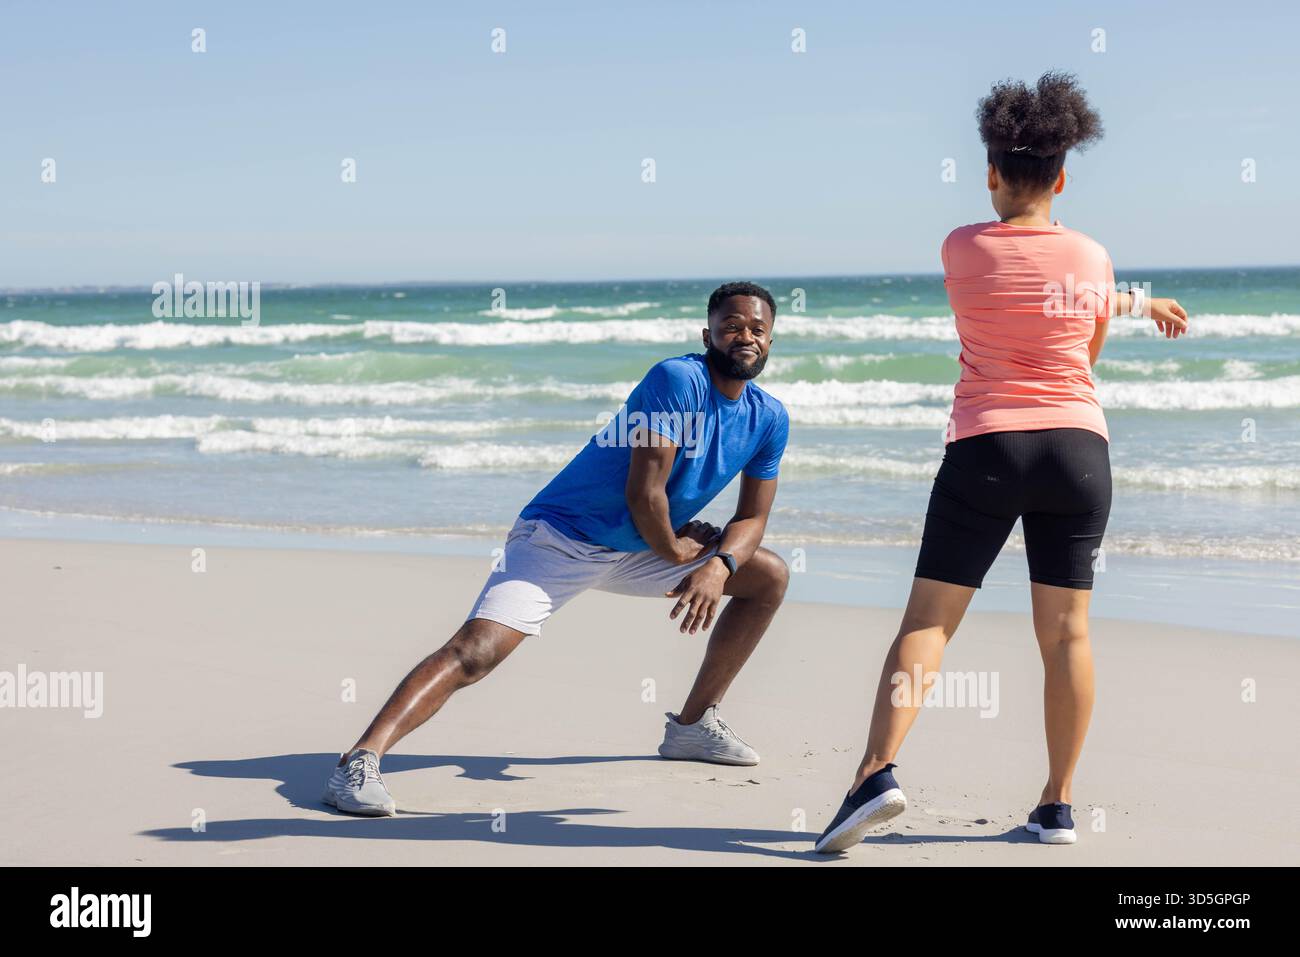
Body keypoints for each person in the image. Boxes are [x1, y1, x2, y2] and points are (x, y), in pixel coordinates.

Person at [815, 73, 1189, 853]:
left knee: (928, 622)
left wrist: (1127, 303)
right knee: (1066, 636)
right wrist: (1138, 303)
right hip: (1077, 451)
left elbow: (1024, 286)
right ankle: (1057, 805)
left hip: (986, 445)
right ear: (1063, 176)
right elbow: (1085, 332)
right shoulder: (1092, 256)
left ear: (990, 173)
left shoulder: (960, 246)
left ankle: (874, 774)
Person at [324, 281, 792, 815]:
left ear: (772, 341)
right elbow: (645, 491)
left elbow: (753, 516)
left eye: (758, 329)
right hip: (562, 538)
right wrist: (679, 554)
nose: (745, 337)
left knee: (768, 576)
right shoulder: (677, 379)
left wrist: (721, 566)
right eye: (732, 326)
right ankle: (357, 763)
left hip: (642, 549)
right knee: (476, 653)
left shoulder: (768, 416)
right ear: (707, 333)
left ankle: (692, 727)